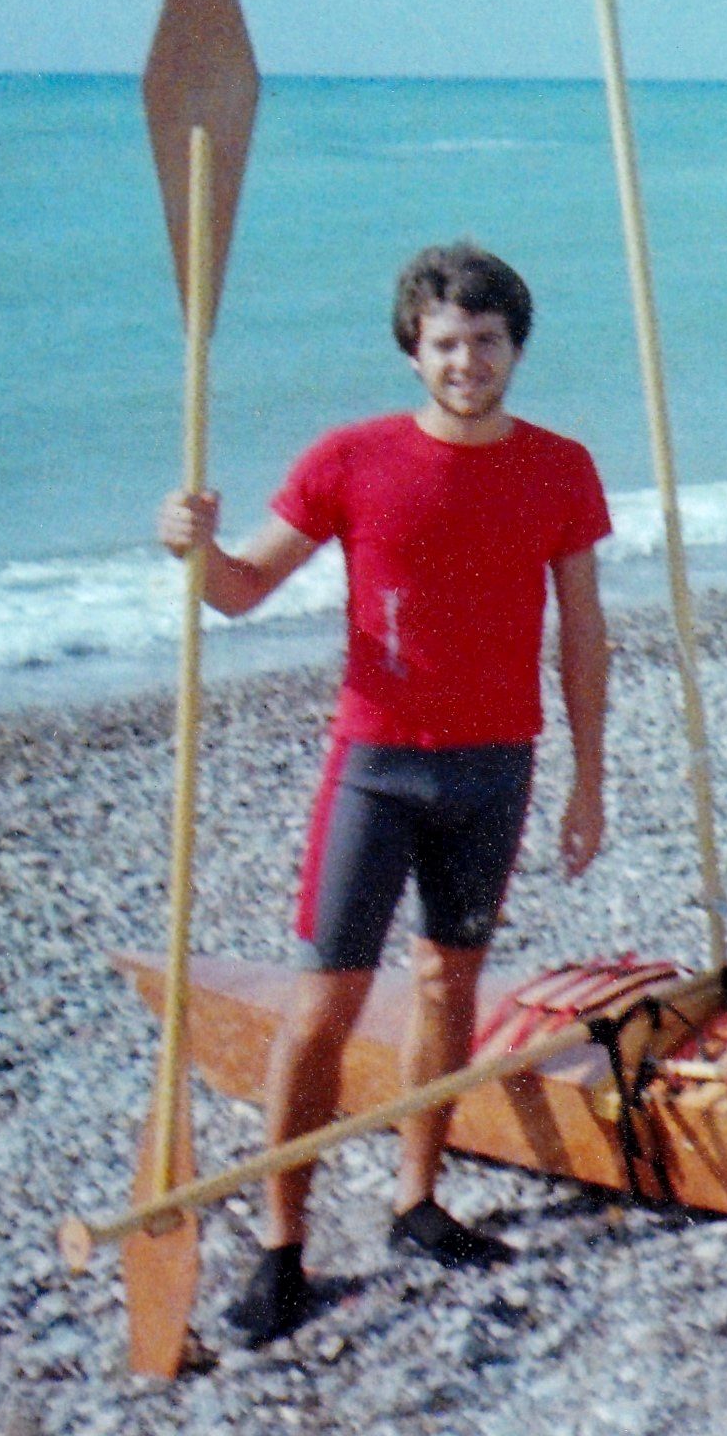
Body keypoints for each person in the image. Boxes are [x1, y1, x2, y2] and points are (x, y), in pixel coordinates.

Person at [155, 241, 613, 1345]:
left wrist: (589, 775)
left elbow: (584, 635)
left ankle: (415, 1201)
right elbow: (242, 590)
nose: (468, 361)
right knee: (324, 1004)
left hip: (497, 763)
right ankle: (282, 1247)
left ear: (515, 346)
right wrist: (192, 547)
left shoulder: (561, 467)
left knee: (450, 987)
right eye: (446, 342)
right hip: (379, 765)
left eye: (487, 340)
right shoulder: (349, 458)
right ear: (414, 350)